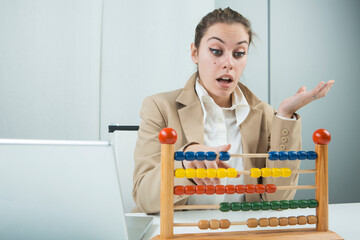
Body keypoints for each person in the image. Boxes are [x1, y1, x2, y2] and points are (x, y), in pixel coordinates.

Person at [132, 8, 334, 214]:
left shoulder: (264, 114)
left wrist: (285, 116)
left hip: (243, 232)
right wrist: (185, 164)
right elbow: (144, 198)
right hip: (181, 232)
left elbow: (278, 197)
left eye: (239, 53)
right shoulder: (159, 107)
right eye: (216, 51)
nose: (229, 63)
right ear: (194, 53)